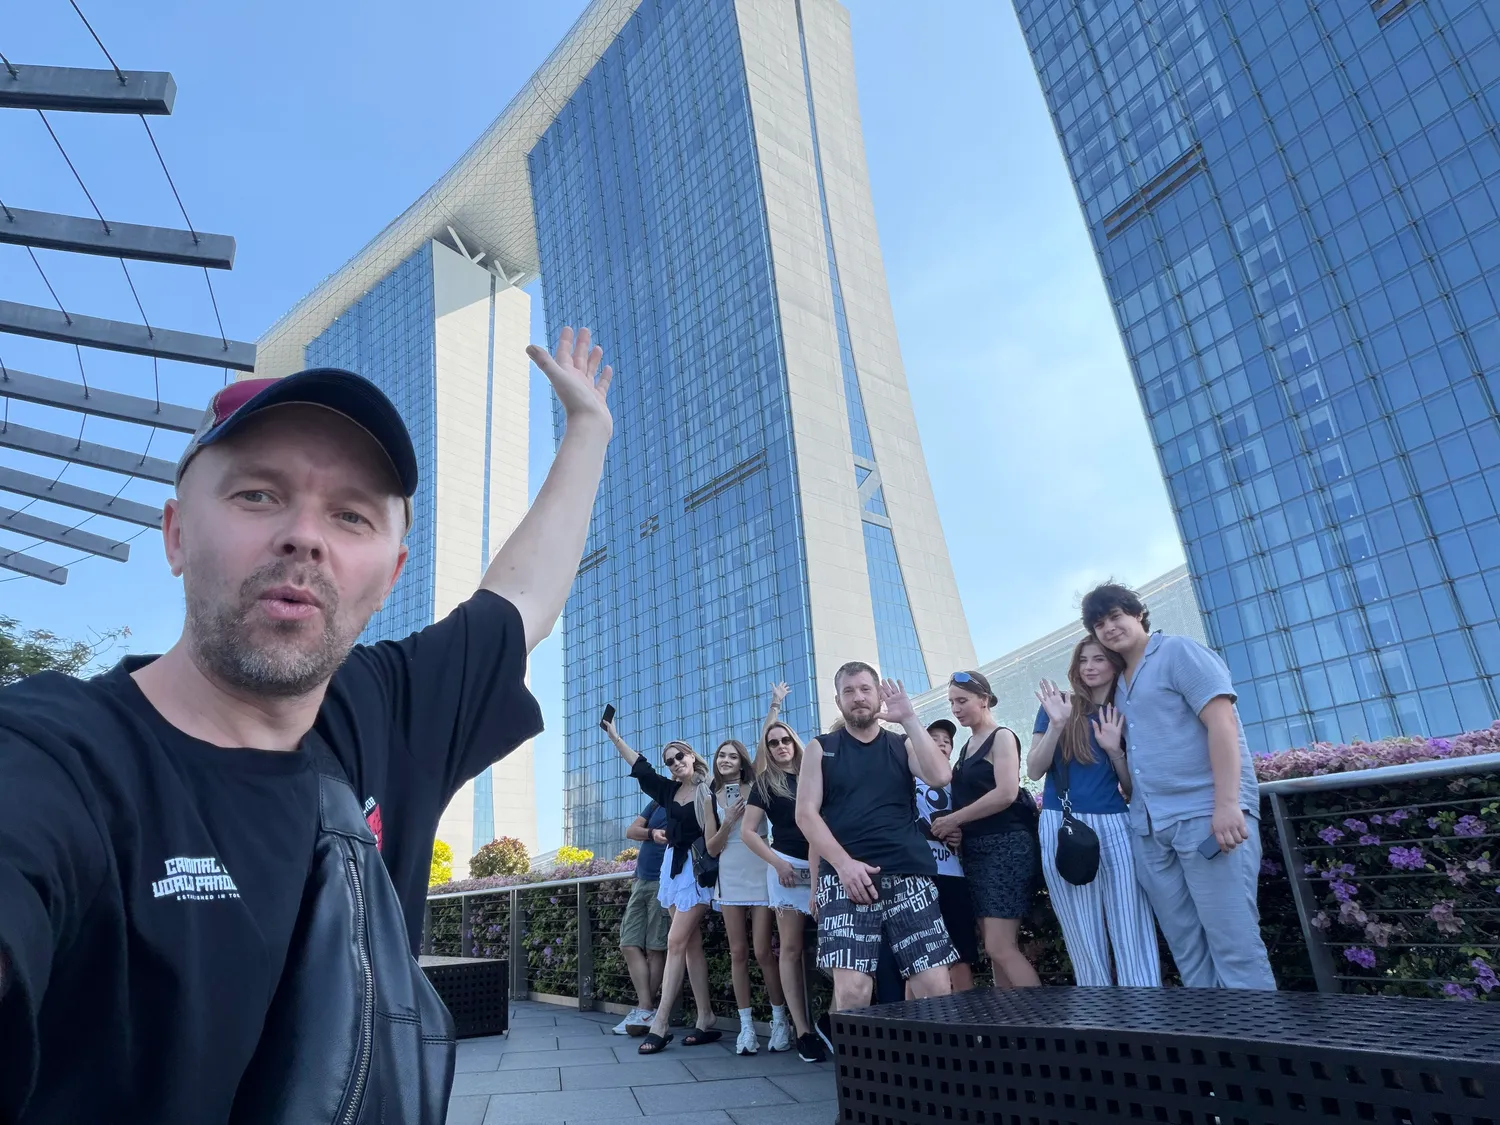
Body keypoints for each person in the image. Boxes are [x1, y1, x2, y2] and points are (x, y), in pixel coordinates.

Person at [0, 327, 613, 1124]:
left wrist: (588, 428)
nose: (306, 535)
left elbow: (522, 599)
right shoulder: (56, 753)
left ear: (390, 576)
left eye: (351, 515)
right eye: (257, 494)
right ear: (176, 533)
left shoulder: (384, 711)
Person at [1082, 582, 1276, 990]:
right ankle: (1213, 1031)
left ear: (1138, 613)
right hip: (1152, 831)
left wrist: (1229, 804)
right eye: (1099, 624)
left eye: (1115, 616)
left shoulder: (1178, 652)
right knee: (1187, 950)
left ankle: (1258, 1033)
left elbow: (1222, 724)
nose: (1109, 628)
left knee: (1235, 947)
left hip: (1205, 817)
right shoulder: (1120, 684)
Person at [795, 663, 957, 1013]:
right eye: (849, 691)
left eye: (865, 689)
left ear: (879, 695)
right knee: (853, 991)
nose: (858, 697)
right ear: (838, 701)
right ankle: (854, 1053)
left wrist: (909, 719)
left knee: (934, 987)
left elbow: (941, 775)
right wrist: (844, 865)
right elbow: (805, 814)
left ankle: (927, 1051)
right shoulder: (821, 748)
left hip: (909, 872)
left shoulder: (902, 744)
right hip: (845, 879)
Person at [1027, 639, 1160, 987]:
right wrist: (1057, 724)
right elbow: (1034, 769)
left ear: (1114, 663)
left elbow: (1131, 789)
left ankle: (1145, 1008)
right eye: (1083, 660)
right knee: (1082, 929)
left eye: (1099, 659)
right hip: (1064, 822)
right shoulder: (1059, 705)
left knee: (1131, 921)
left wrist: (1115, 750)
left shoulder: (1124, 710)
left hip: (1116, 820)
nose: (1089, 667)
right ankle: (1097, 1008)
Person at [603, 725, 720, 1051]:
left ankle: (660, 1022)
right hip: (672, 868)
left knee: (675, 941)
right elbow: (641, 768)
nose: (675, 763)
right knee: (691, 945)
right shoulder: (668, 792)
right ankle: (706, 1016)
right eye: (669, 760)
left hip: (697, 869)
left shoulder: (710, 788)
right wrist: (614, 737)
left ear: (692, 756)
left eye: (679, 756)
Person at [930, 670, 1041, 987]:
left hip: (1005, 847)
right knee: (996, 949)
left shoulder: (1002, 737)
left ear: (984, 699)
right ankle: (1008, 1015)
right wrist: (957, 829)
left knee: (999, 946)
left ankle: (1040, 1016)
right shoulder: (966, 747)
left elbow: (1006, 792)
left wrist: (954, 819)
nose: (956, 708)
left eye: (962, 701)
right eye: (952, 702)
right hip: (976, 851)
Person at [741, 690, 825, 1062]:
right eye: (773, 743)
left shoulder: (816, 773)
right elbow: (748, 832)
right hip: (788, 871)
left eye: (784, 740)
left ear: (794, 741)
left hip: (824, 867)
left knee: (838, 944)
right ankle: (803, 1031)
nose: (779, 746)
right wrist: (778, 864)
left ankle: (833, 1019)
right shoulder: (765, 783)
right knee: (790, 950)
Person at [703, 739, 789, 1056]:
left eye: (732, 756)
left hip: (761, 871)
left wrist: (774, 712)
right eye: (721, 755)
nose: (725, 760)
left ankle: (780, 1021)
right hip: (730, 876)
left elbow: (766, 742)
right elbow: (712, 848)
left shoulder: (757, 786)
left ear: (742, 761)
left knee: (763, 950)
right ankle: (746, 1027)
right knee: (738, 952)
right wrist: (727, 821)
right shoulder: (709, 797)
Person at [914, 719, 978, 992]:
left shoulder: (958, 782)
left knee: (960, 954)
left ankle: (968, 1016)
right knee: (917, 958)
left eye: (947, 741)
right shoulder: (906, 776)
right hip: (917, 875)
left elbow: (970, 822)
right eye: (934, 739)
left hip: (953, 874)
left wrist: (960, 833)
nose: (941, 744)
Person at [615, 800, 673, 1034]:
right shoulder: (658, 802)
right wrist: (652, 833)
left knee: (655, 948)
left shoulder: (689, 799)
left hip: (664, 881)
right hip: (641, 880)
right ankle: (646, 1009)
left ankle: (644, 1010)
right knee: (628, 943)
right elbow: (631, 831)